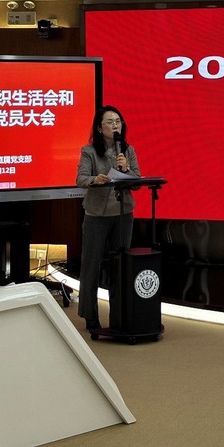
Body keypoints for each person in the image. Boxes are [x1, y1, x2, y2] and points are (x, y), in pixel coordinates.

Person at [76, 105, 141, 331]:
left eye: (118, 122)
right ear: (99, 127)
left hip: (123, 214)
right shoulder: (89, 151)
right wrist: (95, 179)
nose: (115, 126)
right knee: (91, 266)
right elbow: (81, 178)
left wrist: (126, 169)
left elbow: (137, 181)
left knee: (120, 267)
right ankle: (90, 316)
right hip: (96, 215)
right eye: (110, 122)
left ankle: (119, 316)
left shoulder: (128, 150)